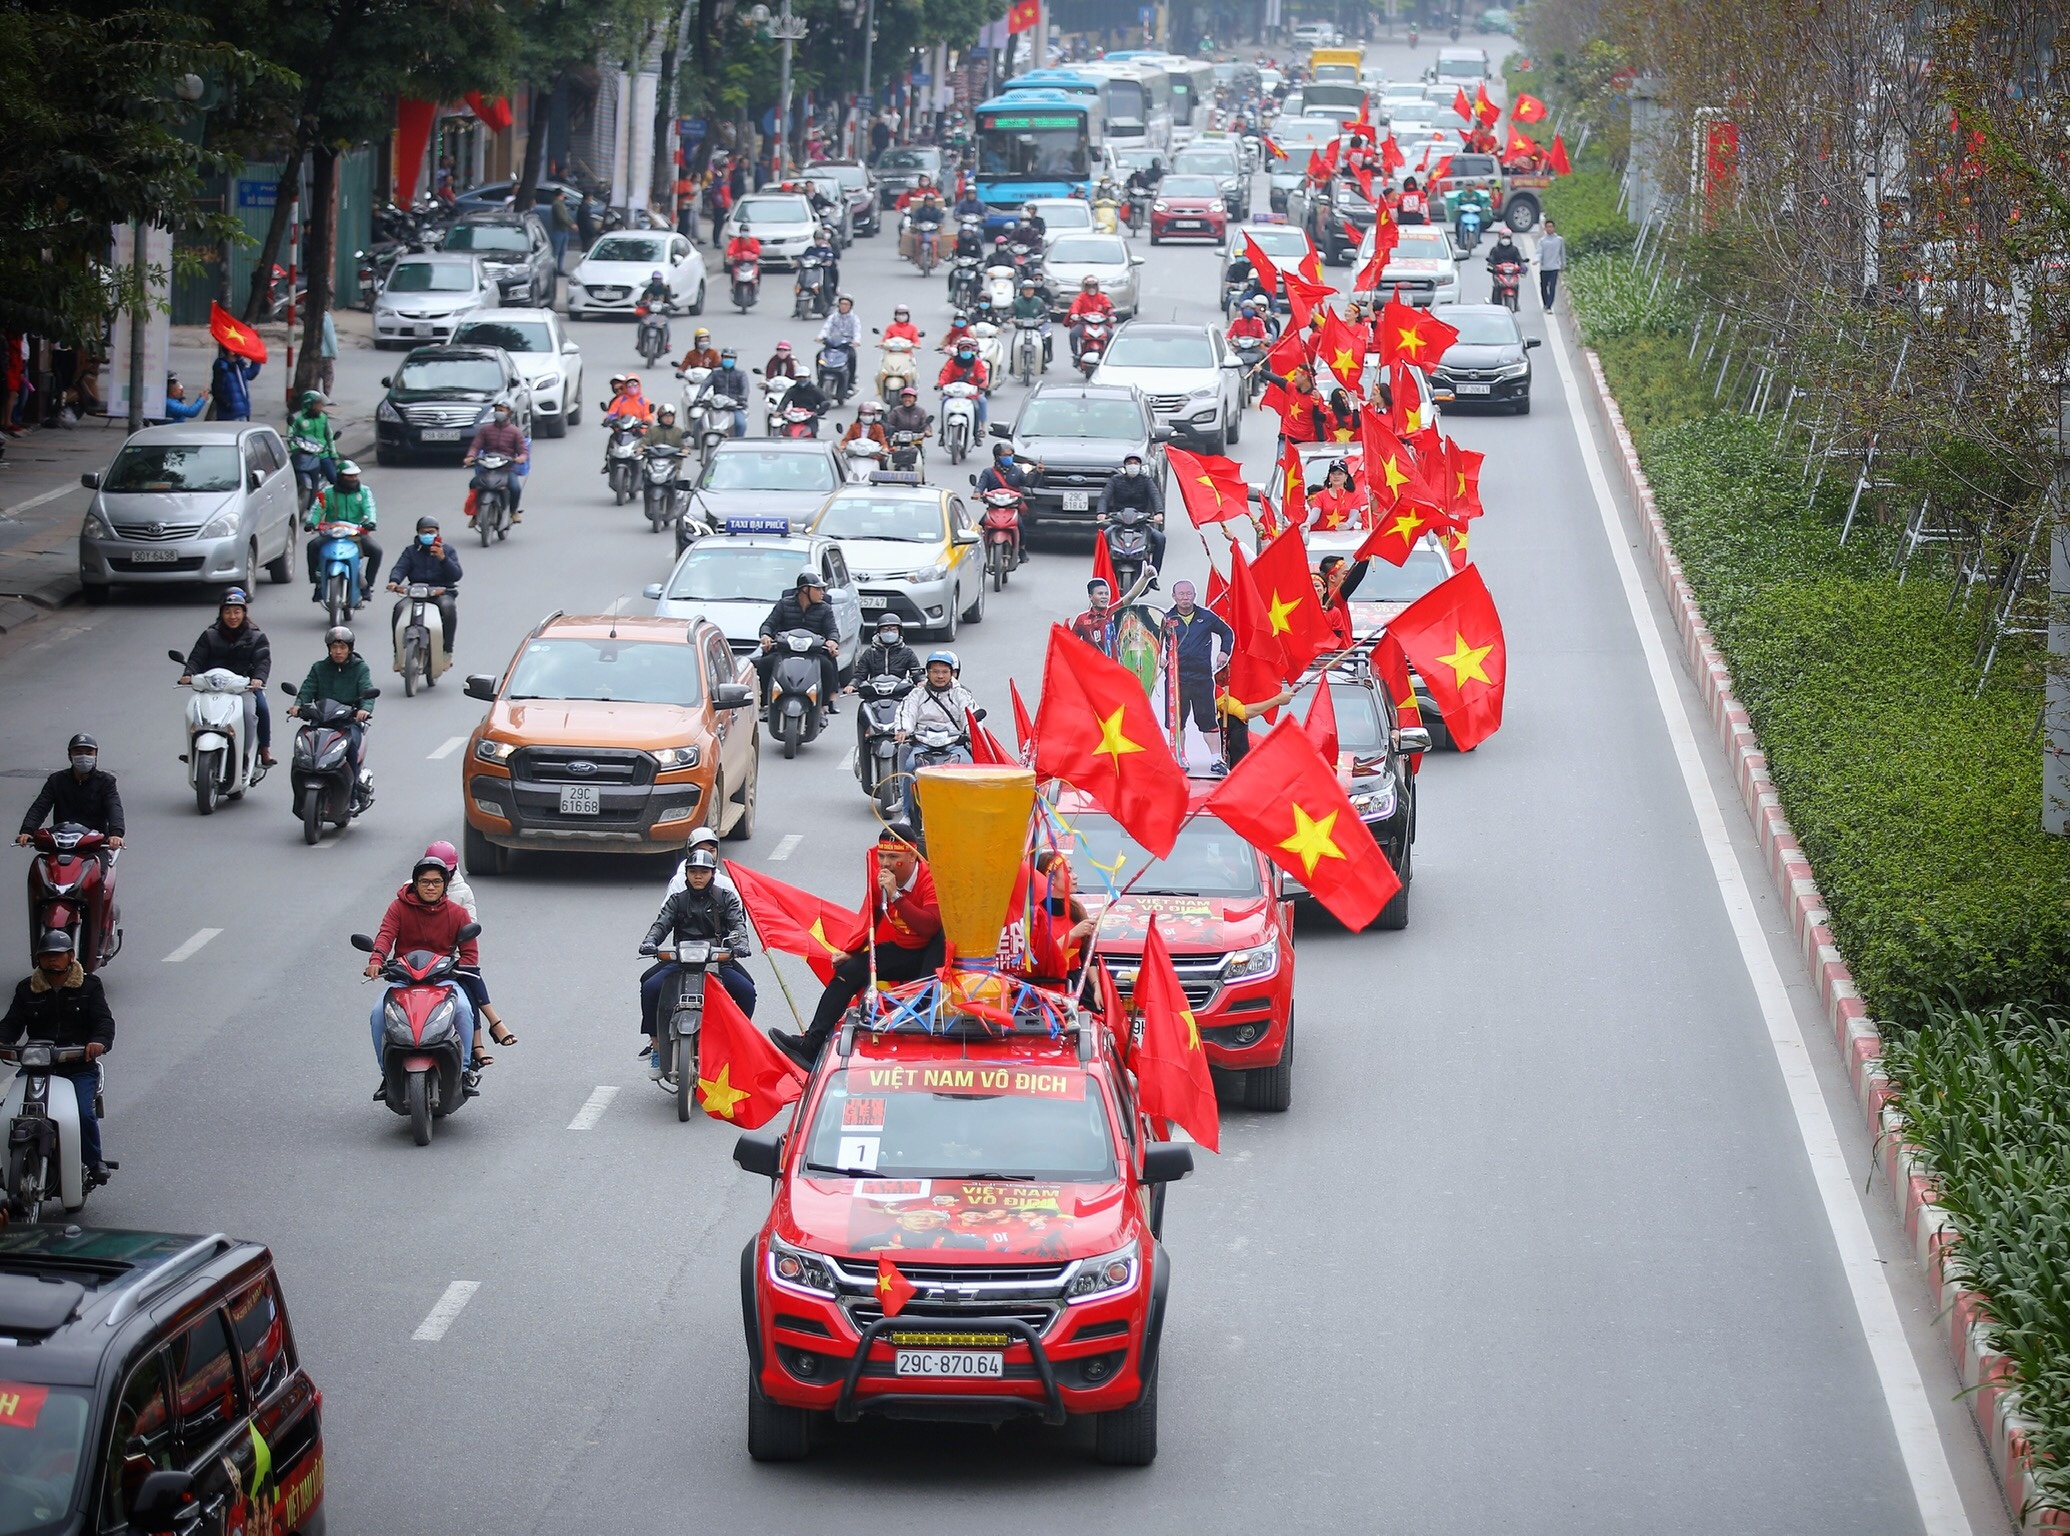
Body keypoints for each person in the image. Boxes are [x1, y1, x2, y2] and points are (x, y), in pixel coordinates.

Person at [770, 824, 943, 1066]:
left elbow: (930, 927)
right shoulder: (881, 878)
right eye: (882, 856)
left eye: (894, 857)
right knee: (847, 973)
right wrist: (852, 953)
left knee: (931, 969)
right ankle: (810, 1045)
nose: (885, 863)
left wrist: (895, 896)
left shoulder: (930, 879)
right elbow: (870, 918)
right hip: (905, 950)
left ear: (912, 856)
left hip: (934, 955)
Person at [1, 931, 113, 1182]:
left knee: (83, 1113)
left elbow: (104, 1021)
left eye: (57, 955)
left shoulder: (90, 985)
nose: (52, 960)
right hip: (37, 1067)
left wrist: (98, 1042)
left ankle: (94, 1161)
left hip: (78, 1066)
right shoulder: (26, 989)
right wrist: (2, 1040)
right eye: (46, 956)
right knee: (8, 1112)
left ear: (70, 957)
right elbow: (11, 1023)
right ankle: (8, 1163)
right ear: (38, 960)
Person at [638, 846, 756, 1079]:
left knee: (746, 991)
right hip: (683, 959)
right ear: (687, 874)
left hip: (716, 960)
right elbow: (661, 924)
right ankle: (656, 1044)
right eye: (693, 871)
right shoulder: (677, 900)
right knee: (649, 986)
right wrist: (650, 941)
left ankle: (736, 1043)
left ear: (713, 873)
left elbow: (737, 924)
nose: (698, 876)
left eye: (704, 871)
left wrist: (740, 944)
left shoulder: (726, 897)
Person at [363, 857, 481, 1075]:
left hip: (443, 980)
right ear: (415, 884)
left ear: (445, 885)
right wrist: (376, 960)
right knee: (378, 1013)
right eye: (424, 882)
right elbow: (386, 934)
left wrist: (461, 968)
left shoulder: (458, 914)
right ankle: (386, 1073)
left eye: (437, 882)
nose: (430, 887)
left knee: (464, 1010)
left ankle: (464, 1071)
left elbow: (470, 955)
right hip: (403, 980)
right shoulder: (398, 907)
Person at [179, 586, 274, 765]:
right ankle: (193, 750)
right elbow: (197, 658)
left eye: (237, 611)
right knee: (194, 711)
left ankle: (262, 750)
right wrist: (188, 673)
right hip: (212, 687)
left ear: (244, 612)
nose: (232, 616)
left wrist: (258, 679)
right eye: (228, 612)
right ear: (221, 613)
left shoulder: (256, 637)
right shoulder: (209, 635)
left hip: (244, 687)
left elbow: (263, 661)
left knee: (258, 709)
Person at [893, 650, 977, 816]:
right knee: (910, 766)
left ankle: (969, 810)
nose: (940, 676)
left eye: (944, 672)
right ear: (928, 673)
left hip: (953, 743)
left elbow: (971, 714)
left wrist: (972, 731)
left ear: (952, 674)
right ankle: (906, 813)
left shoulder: (961, 694)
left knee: (969, 765)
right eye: (935, 671)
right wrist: (903, 729)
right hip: (923, 742)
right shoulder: (917, 694)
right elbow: (906, 712)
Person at [294, 626, 376, 796]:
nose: (338, 651)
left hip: (346, 723)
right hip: (320, 721)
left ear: (350, 649)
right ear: (329, 649)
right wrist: (298, 705)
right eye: (334, 647)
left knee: (351, 747)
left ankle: (352, 793)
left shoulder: (360, 669)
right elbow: (307, 689)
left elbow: (367, 691)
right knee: (302, 749)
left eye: (342, 647)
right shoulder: (319, 668)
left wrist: (364, 710)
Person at [755, 569, 840, 713]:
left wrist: (832, 641)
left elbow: (832, 629)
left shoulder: (825, 609)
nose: (822, 593)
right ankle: (766, 702)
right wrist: (766, 635)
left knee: (827, 665)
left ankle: (824, 704)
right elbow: (769, 624)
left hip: (813, 651)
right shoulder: (784, 604)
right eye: (818, 589)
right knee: (764, 664)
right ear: (805, 589)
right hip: (785, 650)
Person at [1163, 579, 1234, 741]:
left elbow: (1227, 632)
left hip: (1202, 678)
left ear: (1194, 595)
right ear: (1174, 596)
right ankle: (1179, 758)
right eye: (1181, 594)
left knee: (1208, 721)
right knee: (1176, 722)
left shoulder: (1207, 616)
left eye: (1189, 593)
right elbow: (1154, 639)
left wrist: (1224, 652)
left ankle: (1216, 759)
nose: (1185, 597)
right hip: (1176, 680)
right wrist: (1159, 659)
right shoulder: (1166, 619)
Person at [385, 518, 463, 660]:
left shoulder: (448, 550)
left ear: (437, 533)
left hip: (441, 591)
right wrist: (394, 581)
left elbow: (457, 575)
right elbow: (400, 568)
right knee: (399, 609)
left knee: (448, 607)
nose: (427, 535)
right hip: (416, 592)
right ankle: (397, 652)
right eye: (424, 532)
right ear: (418, 534)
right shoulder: (410, 551)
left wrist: (443, 559)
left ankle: (447, 650)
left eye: (431, 532)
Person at [305, 460, 381, 595]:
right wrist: (311, 523)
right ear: (340, 476)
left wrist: (371, 522)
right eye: (349, 476)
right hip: (331, 533)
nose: (353, 479)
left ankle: (368, 586)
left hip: (356, 533)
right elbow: (317, 509)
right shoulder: (327, 492)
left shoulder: (364, 491)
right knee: (313, 547)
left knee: (376, 551)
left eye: (355, 476)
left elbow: (370, 508)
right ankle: (317, 583)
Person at [1095, 453, 1166, 569]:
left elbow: (1155, 496)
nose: (1132, 466)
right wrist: (1101, 512)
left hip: (1141, 523)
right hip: (1118, 523)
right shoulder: (1115, 480)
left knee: (1160, 538)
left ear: (1140, 466)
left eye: (1135, 463)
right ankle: (1104, 573)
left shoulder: (1146, 480)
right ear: (1124, 466)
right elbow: (1104, 497)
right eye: (1129, 463)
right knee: (1102, 538)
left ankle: (1153, 573)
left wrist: (1159, 513)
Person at [463, 400, 530, 522]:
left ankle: (513, 511)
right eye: (497, 410)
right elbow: (475, 446)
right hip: (487, 467)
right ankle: (475, 514)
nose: (498, 412)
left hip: (506, 468)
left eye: (502, 410)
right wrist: (470, 456)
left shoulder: (515, 432)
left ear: (509, 412)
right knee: (474, 484)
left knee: (515, 488)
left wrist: (521, 458)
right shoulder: (485, 430)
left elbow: (523, 450)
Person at [1315, 554, 1370, 648]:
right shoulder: (1333, 595)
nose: (1348, 577)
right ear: (1332, 578)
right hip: (1338, 655)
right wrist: (1367, 555)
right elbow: (1355, 578)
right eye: (1345, 574)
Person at [935, 341, 989, 436]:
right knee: (944, 401)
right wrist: (940, 384)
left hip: (971, 392)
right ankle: (944, 429)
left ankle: (980, 428)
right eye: (963, 349)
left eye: (967, 349)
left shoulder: (977, 363)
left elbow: (982, 373)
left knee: (981, 402)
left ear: (971, 350)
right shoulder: (952, 363)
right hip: (954, 391)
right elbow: (945, 374)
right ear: (959, 351)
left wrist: (982, 384)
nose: (965, 351)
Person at [287, 389, 338, 481]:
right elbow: (290, 436)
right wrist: (295, 449)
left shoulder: (323, 417)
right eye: (318, 404)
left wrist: (333, 453)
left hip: (322, 454)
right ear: (309, 404)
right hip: (304, 455)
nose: (321, 407)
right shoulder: (297, 418)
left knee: (334, 479)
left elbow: (329, 435)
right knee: (292, 478)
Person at [818, 295, 861, 396]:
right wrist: (820, 337)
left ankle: (850, 382)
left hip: (845, 346)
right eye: (842, 304)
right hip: (832, 344)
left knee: (852, 357)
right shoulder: (833, 317)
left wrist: (856, 341)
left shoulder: (854, 319)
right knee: (819, 356)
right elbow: (826, 328)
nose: (843, 306)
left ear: (850, 306)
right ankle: (820, 380)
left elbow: (857, 331)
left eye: (846, 304)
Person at [1067, 276, 1115, 362]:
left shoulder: (1102, 297)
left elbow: (1108, 306)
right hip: (1084, 323)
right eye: (1089, 286)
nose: (1091, 288)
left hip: (1100, 324)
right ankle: (1076, 354)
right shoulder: (1081, 297)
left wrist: (1111, 315)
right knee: (1073, 334)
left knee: (1111, 335)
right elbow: (1075, 306)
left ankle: (1107, 355)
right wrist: (1074, 314)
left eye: (1093, 286)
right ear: (1085, 287)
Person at [1069, 578, 1120, 655]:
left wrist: (1144, 577)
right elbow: (1071, 643)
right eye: (1100, 593)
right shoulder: (1082, 619)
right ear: (1090, 597)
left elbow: (1130, 597)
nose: (1104, 597)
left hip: (1111, 664)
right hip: (1090, 664)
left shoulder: (1114, 612)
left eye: (1106, 593)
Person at [1310, 459, 1363, 530]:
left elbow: (1353, 516)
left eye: (1340, 474)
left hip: (1347, 537)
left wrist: (1347, 525)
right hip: (1323, 536)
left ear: (1346, 477)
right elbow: (1315, 513)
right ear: (1329, 476)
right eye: (1333, 473)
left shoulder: (1354, 497)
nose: (1336, 476)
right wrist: (1308, 522)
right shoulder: (1320, 495)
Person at [210, 346, 259, 422]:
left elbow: (251, 374)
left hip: (243, 412)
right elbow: (217, 391)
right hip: (230, 416)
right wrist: (228, 405)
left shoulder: (239, 366)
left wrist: (257, 357)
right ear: (231, 352)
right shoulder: (222, 368)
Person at [1011, 278, 1052, 364]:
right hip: (1021, 328)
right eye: (1026, 289)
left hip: (1036, 328)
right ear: (1022, 291)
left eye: (1031, 289)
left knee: (1045, 340)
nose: (1028, 292)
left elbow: (1045, 313)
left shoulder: (1039, 301)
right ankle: (1013, 363)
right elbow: (1009, 312)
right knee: (1015, 343)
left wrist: (1042, 319)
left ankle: (1042, 361)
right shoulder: (1017, 302)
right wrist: (1009, 318)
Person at [800, 227, 841, 302]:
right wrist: (797, 262)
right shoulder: (810, 249)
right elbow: (803, 257)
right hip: (811, 272)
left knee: (826, 286)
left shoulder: (827, 249)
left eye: (820, 239)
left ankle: (830, 301)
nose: (818, 241)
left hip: (823, 272)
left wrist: (828, 262)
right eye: (817, 239)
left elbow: (831, 257)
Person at [884, 384, 929, 448]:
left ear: (915, 399)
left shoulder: (920, 411)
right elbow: (889, 424)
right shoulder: (896, 411)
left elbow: (925, 424)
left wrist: (927, 431)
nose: (907, 399)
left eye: (910, 397)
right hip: (898, 442)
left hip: (915, 442)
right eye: (905, 397)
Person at [1537, 218, 1566, 309]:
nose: (1549, 229)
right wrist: (1536, 260)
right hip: (1544, 267)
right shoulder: (1542, 241)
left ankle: (1549, 305)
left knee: (1552, 287)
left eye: (1551, 227)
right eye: (1548, 227)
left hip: (1554, 267)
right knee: (1543, 287)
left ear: (1554, 228)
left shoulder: (1559, 240)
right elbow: (1539, 252)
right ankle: (1545, 303)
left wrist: (1563, 265)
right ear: (1545, 228)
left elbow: (1562, 253)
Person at [549, 190, 578, 271]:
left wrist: (572, 223)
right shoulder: (557, 204)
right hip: (558, 230)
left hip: (563, 230)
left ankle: (559, 269)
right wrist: (571, 225)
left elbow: (567, 216)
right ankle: (554, 268)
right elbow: (562, 217)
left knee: (562, 251)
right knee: (556, 251)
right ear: (560, 195)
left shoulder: (561, 204)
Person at [318, 309, 339, 398]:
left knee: (315, 376)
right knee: (328, 376)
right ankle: (326, 397)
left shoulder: (312, 316)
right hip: (325, 353)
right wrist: (335, 352)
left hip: (313, 353)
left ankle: (315, 396)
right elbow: (330, 337)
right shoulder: (326, 317)